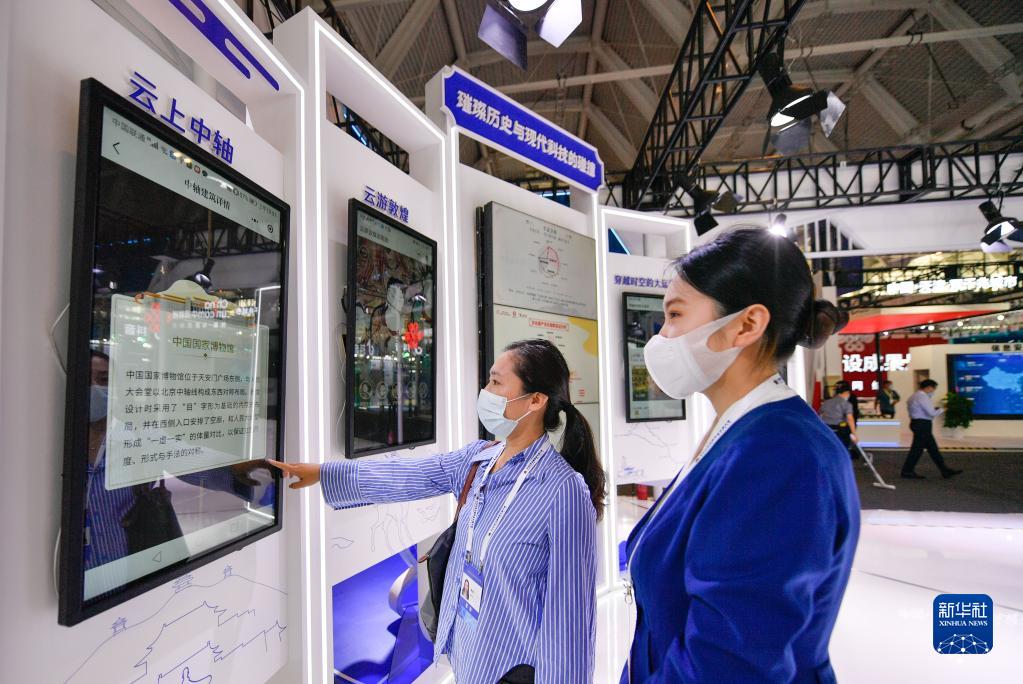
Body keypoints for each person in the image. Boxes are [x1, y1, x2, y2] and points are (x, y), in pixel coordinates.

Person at [270, 339, 603, 684]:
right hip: (467, 656)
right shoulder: (479, 460)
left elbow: (572, 622)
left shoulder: (563, 491)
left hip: (512, 669)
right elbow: (407, 474)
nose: (485, 392)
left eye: (496, 382)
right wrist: (323, 473)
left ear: (535, 400)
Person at [622, 228, 860, 683]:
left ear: (747, 325)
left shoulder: (779, 457)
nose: (661, 337)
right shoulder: (740, 429)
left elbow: (729, 660)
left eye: (675, 315)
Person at [901, 379, 963, 480]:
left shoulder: (914, 396)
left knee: (932, 449)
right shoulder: (922, 397)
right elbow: (932, 413)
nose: (933, 391)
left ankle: (945, 470)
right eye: (933, 389)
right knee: (917, 449)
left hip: (918, 423)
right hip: (922, 425)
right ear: (929, 387)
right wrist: (944, 409)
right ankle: (907, 471)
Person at [819, 380, 858, 453]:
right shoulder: (846, 404)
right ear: (846, 393)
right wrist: (854, 434)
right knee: (843, 449)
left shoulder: (826, 402)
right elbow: (850, 419)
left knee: (829, 449)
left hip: (827, 429)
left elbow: (820, 415)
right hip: (841, 430)